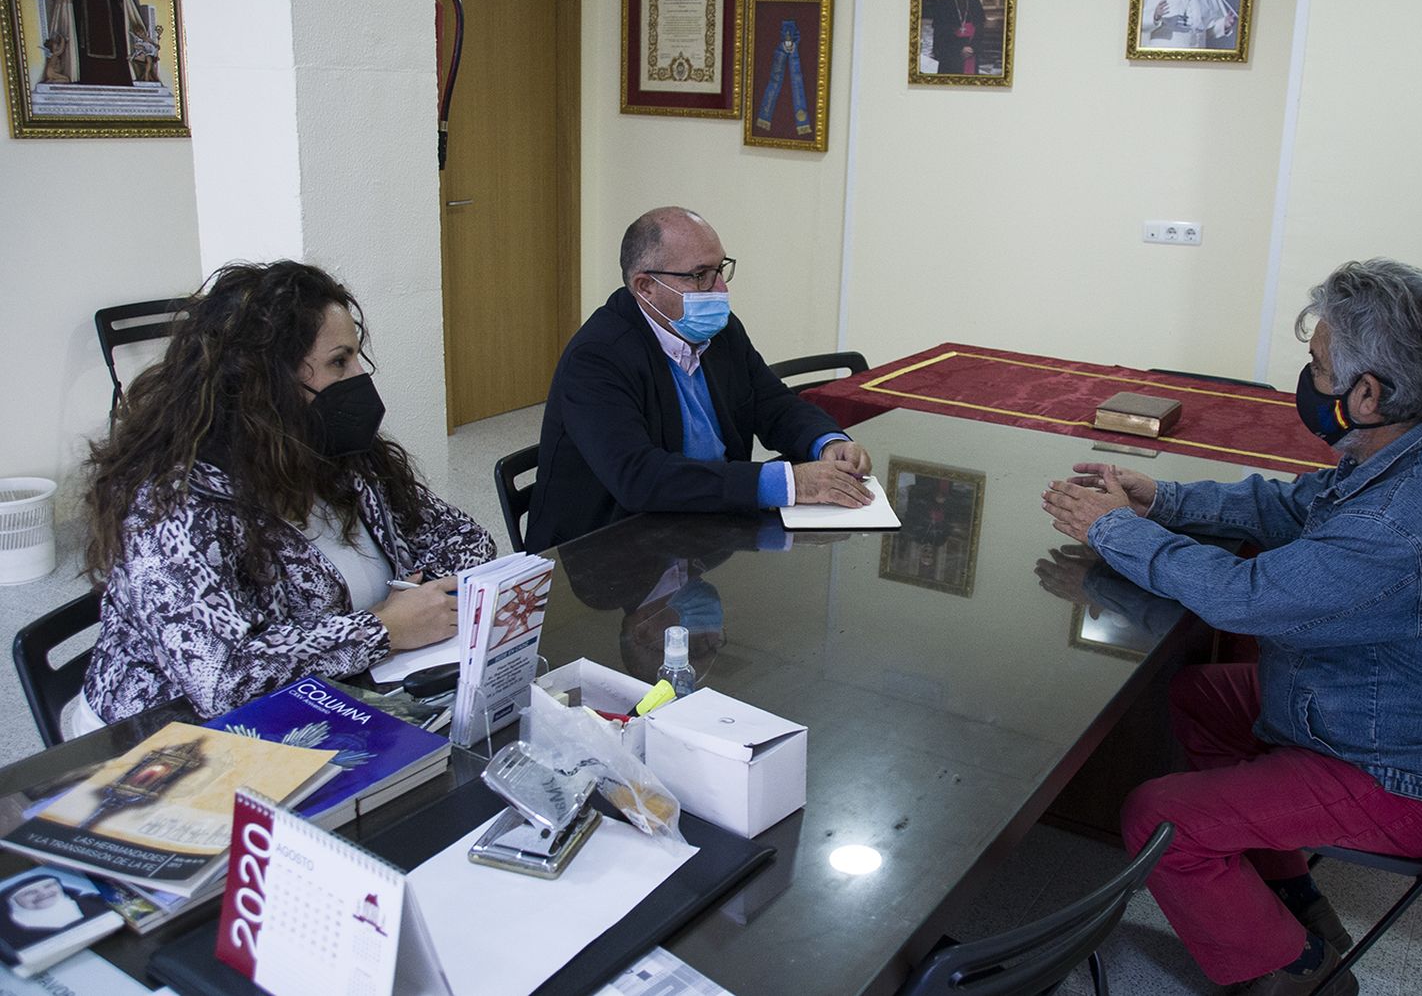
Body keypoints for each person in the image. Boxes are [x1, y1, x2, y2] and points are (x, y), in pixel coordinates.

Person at [1040, 258, 1422, 995]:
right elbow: (1295, 505)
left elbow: (1247, 598)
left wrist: (1115, 530)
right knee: (1200, 696)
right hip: (1383, 710)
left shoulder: (1408, 514)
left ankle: (1295, 969)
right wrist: (1163, 499)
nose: (1308, 378)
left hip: (1405, 776)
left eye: (1318, 364)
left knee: (1156, 817)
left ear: (1367, 393)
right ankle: (1290, 894)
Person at [79, 261, 495, 726]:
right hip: (165, 738)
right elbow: (223, 679)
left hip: (338, 694)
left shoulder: (331, 445)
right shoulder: (169, 504)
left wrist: (423, 598)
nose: (358, 377)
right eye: (339, 361)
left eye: (356, 357)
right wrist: (383, 628)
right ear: (266, 381)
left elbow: (464, 539)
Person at [523, 207, 873, 552]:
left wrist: (826, 442)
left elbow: (772, 403)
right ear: (645, 286)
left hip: (706, 524)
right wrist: (788, 483)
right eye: (701, 274)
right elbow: (639, 478)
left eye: (720, 269)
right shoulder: (597, 357)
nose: (719, 288)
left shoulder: (721, 330)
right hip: (605, 554)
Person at [929, 0, 985, 74]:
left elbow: (980, 28)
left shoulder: (975, 1)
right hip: (951, 53)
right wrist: (960, 48)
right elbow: (940, 31)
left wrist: (972, 47)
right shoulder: (944, 3)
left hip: (971, 52)